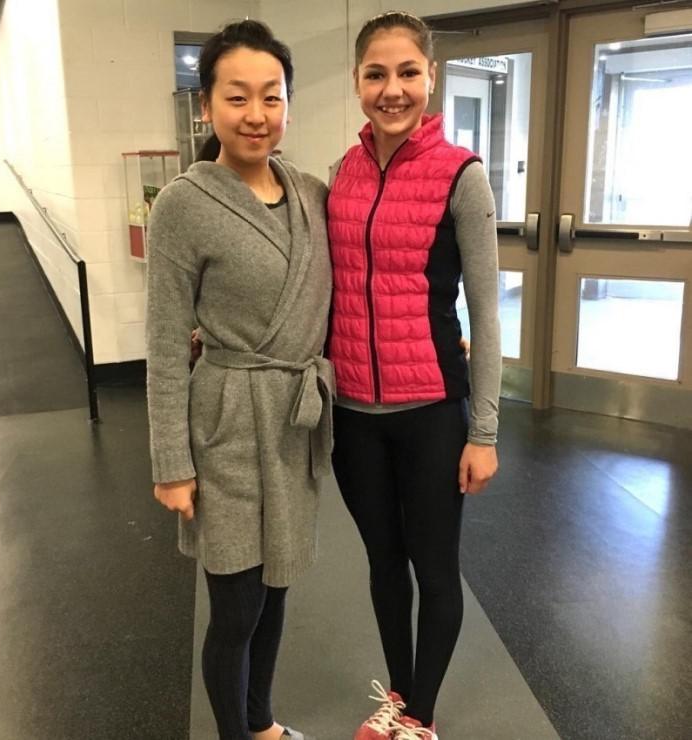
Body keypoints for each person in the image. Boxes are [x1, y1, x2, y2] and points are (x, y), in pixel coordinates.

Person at [145, 20, 333, 740]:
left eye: (271, 96)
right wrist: (171, 464)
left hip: (293, 422)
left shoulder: (311, 193)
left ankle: (261, 723)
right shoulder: (183, 205)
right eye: (237, 96)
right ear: (206, 106)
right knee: (236, 607)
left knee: (277, 588)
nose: (256, 114)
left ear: (288, 103)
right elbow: (166, 344)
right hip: (225, 422)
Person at [326, 11, 501, 740]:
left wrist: (483, 431)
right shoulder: (343, 173)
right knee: (382, 563)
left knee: (434, 567)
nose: (391, 89)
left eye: (406, 72)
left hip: (431, 410)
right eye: (376, 74)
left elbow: (486, 312)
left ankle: (420, 718)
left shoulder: (462, 174)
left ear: (430, 76)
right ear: (358, 81)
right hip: (354, 416)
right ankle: (399, 695)